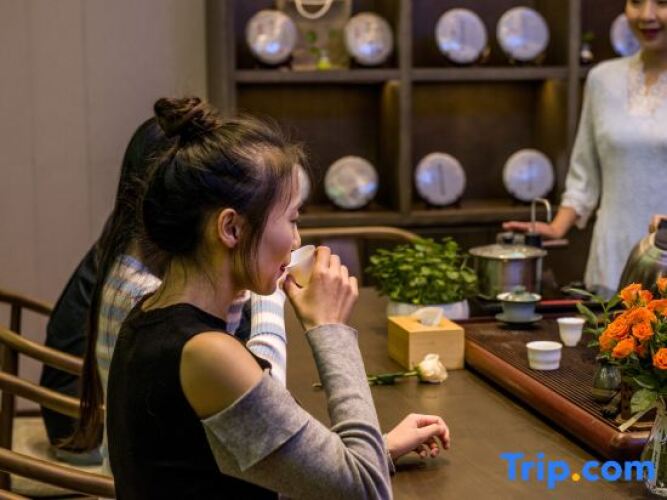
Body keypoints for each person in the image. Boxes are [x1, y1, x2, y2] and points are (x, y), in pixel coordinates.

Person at [106, 97, 450, 498]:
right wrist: (329, 328)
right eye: (292, 219)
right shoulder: (208, 355)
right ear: (231, 229)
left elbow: (243, 463)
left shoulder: (148, 316)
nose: (297, 240)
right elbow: (368, 493)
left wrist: (375, 449)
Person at [65, 117, 293, 478]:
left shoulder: (140, 270)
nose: (295, 237)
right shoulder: (150, 299)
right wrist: (274, 296)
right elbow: (267, 418)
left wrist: (244, 273)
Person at [504, 0, 667, 298]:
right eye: (636, 1)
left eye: (662, 3)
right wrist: (557, 227)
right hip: (609, 263)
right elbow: (584, 174)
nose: (647, 15)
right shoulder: (602, 79)